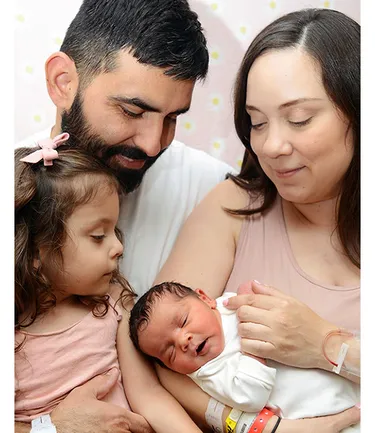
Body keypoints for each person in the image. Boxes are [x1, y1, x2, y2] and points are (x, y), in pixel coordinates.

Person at [14, 0, 360, 431]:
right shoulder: (20, 203)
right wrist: (43, 427)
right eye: (133, 111)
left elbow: (156, 379)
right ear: (62, 81)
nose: (153, 143)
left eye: (173, 118)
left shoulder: (211, 187)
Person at [152, 7, 361, 433]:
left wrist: (326, 345)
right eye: (257, 122)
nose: (272, 145)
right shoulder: (234, 207)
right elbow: (148, 350)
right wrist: (257, 427)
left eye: (299, 119)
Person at [15, 138, 203, 433]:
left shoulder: (114, 303)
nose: (118, 247)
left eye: (115, 230)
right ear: (38, 250)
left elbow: (149, 396)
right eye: (99, 236)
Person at [129, 282, 359, 432]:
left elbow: (271, 304)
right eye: (169, 351)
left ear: (206, 299)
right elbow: (251, 395)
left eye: (183, 322)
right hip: (324, 410)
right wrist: (253, 348)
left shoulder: (228, 306)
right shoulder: (210, 371)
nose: (183, 340)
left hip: (344, 371)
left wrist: (249, 292)